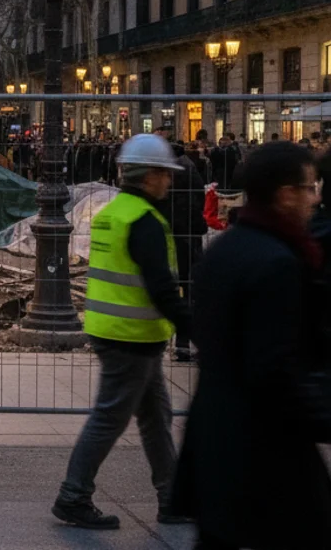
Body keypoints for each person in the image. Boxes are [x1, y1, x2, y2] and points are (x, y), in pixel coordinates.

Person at [172, 142, 330, 549]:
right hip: (264, 446)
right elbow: (273, 367)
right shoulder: (278, 261)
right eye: (309, 187)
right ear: (285, 194)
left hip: (214, 434)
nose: (315, 198)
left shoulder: (225, 250)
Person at [52, 134, 191, 531]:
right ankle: (73, 496)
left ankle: (171, 498)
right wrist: (195, 329)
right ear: (149, 176)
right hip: (131, 335)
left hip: (116, 329)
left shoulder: (115, 212)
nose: (169, 181)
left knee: (155, 416)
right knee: (110, 418)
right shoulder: (144, 221)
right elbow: (161, 288)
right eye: (165, 174)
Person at [158, 143, 207, 363]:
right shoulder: (191, 168)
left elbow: (165, 204)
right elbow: (200, 199)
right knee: (189, 288)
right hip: (189, 234)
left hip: (177, 235)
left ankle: (183, 343)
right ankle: (185, 343)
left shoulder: (172, 172)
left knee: (180, 287)